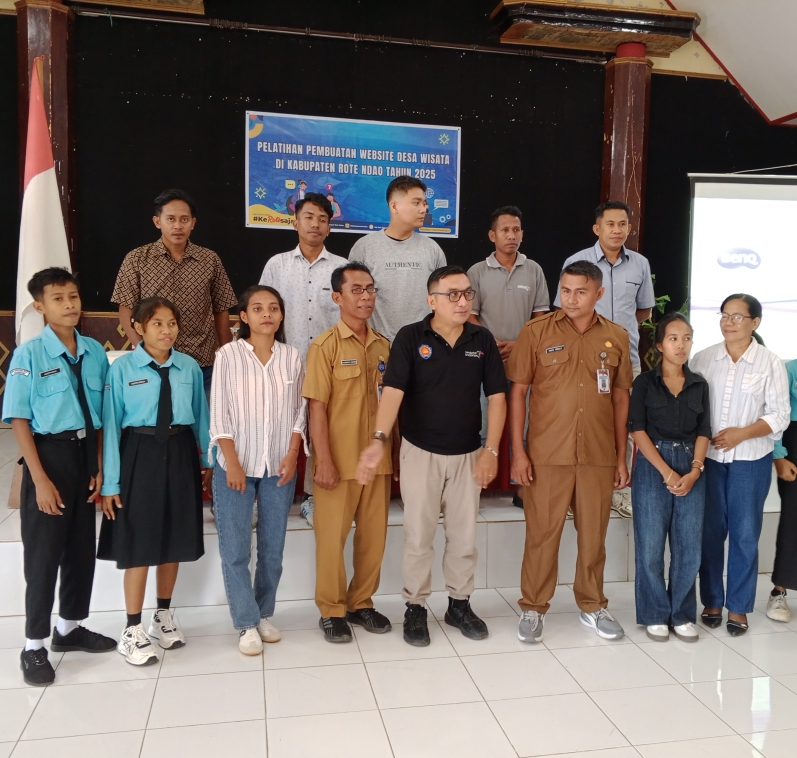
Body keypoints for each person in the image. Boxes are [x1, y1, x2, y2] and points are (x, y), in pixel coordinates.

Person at [357, 265, 507, 647]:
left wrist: (490, 450)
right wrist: (378, 439)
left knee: (464, 538)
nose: (462, 301)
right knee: (418, 537)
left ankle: (459, 604)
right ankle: (415, 607)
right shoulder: (410, 337)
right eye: (452, 294)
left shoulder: (482, 339)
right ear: (432, 301)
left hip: (468, 453)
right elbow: (393, 391)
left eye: (467, 293)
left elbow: (496, 396)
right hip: (420, 451)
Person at [508, 261, 633, 643]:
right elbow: (518, 393)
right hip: (547, 454)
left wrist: (621, 457)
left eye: (581, 292)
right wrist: (519, 452)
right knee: (542, 536)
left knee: (593, 538)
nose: (571, 299)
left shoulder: (616, 337)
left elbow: (621, 398)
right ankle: (533, 607)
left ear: (599, 294)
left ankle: (592, 606)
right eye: (565, 290)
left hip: (597, 454)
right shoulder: (536, 332)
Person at [3, 268, 116, 686]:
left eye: (73, 296)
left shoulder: (94, 351)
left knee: (80, 549)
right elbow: (18, 419)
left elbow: (102, 415)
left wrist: (99, 467)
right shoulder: (29, 355)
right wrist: (40, 480)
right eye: (57, 298)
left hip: (85, 456)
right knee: (44, 555)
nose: (69, 305)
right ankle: (33, 645)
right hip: (48, 457)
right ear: (40, 306)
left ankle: (69, 628)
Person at [98, 297, 210, 665]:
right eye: (157, 323)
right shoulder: (122, 369)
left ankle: (162, 614)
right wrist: (110, 483)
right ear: (139, 327)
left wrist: (208, 460)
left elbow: (201, 417)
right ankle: (132, 628)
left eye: (172, 323)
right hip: (139, 452)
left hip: (180, 452)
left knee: (173, 537)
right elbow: (111, 426)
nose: (166, 330)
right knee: (139, 539)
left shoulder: (188, 367)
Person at [302, 262, 396, 643]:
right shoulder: (324, 347)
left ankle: (361, 603)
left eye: (370, 289)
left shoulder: (384, 346)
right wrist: (322, 461)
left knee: (373, 539)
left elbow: (391, 404)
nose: (366, 296)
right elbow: (316, 408)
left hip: (377, 462)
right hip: (338, 463)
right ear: (337, 297)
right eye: (356, 290)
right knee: (331, 540)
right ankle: (332, 609)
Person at [210, 286, 306, 655]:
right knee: (235, 549)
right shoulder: (228, 355)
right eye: (258, 308)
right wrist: (232, 462)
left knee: (272, 549)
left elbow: (299, 411)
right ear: (244, 316)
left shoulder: (291, 356)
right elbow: (220, 413)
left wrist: (293, 453)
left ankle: (264, 613)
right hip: (235, 464)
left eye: (274, 308)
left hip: (278, 465)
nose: (267, 314)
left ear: (281, 315)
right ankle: (246, 623)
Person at [690, 294, 789, 636]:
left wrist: (742, 433)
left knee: (745, 535)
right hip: (710, 461)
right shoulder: (703, 359)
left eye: (737, 317)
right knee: (710, 533)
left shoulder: (770, 362)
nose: (728, 322)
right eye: (724, 315)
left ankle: (738, 606)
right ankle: (712, 601)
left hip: (751, 461)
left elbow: (780, 415)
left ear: (755, 322)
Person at [555, 200, 655, 517]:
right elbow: (564, 309)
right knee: (580, 419)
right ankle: (574, 491)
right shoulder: (576, 262)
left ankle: (619, 489)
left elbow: (644, 310)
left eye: (622, 224)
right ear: (597, 228)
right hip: (582, 359)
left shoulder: (640, 264)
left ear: (629, 227)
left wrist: (615, 337)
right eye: (610, 224)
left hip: (625, 358)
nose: (617, 230)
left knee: (625, 423)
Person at [259, 192, 347, 527]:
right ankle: (270, 497)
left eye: (322, 219)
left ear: (329, 227)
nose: (315, 224)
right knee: (277, 431)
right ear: (295, 222)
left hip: (329, 367)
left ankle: (312, 496)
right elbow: (262, 315)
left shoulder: (341, 268)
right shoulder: (277, 265)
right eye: (308, 217)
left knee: (321, 433)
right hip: (284, 365)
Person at [628, 313, 710, 642]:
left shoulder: (699, 384)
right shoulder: (645, 383)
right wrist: (667, 471)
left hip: (691, 464)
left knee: (688, 546)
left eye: (687, 338)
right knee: (650, 545)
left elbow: (704, 430)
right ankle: (654, 613)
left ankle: (682, 614)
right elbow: (637, 429)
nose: (681, 345)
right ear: (660, 345)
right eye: (673, 338)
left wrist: (694, 471)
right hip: (653, 465)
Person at [111, 189, 238, 400]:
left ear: (193, 223)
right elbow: (126, 310)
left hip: (202, 364)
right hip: (154, 361)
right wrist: (142, 350)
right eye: (170, 219)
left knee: (203, 418)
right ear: (157, 221)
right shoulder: (137, 259)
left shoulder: (209, 260)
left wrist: (225, 353)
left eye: (184, 219)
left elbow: (221, 308)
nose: (178, 226)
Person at [468, 205, 550, 507]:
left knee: (525, 427)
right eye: (505, 230)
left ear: (522, 234)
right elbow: (469, 315)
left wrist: (520, 344)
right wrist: (491, 343)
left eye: (516, 230)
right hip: (484, 360)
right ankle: (473, 489)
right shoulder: (477, 271)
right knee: (480, 425)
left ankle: (522, 490)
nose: (511, 235)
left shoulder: (534, 270)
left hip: (523, 360)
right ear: (492, 235)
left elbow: (541, 317)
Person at [349, 176, 446, 341]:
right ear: (394, 206)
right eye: (416, 203)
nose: (423, 209)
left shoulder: (432, 249)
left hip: (422, 344)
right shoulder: (364, 247)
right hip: (375, 344)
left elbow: (443, 300)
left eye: (424, 203)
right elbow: (352, 298)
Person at [769, 358, 797, 623]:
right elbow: (777, 414)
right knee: (792, 517)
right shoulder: (790, 370)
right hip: (794, 443)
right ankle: (779, 590)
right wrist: (778, 456)